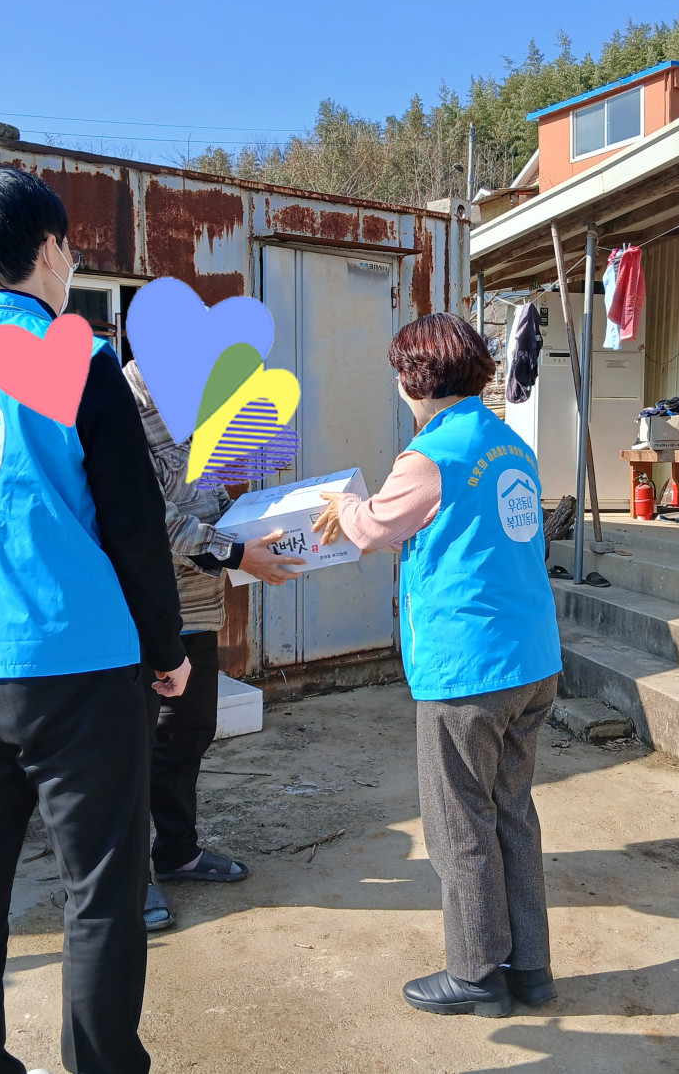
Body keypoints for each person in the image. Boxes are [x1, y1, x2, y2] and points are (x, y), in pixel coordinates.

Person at [0, 166, 189, 1074]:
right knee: (99, 887)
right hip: (72, 664)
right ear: (51, 249)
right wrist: (167, 648)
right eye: (69, 248)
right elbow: (134, 522)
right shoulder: (78, 359)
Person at [312, 312, 562, 1019]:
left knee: (460, 822)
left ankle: (477, 971)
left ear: (413, 380)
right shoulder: (510, 444)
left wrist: (343, 503)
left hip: (468, 667)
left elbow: (369, 528)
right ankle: (530, 966)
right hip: (531, 659)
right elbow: (468, 529)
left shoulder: (429, 455)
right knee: (513, 812)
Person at [121, 364, 305, 928]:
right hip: (140, 613)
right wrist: (236, 552)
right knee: (128, 749)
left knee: (188, 731)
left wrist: (267, 525)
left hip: (195, 608)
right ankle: (127, 881)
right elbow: (148, 519)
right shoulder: (121, 408)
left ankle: (177, 851)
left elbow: (208, 501)